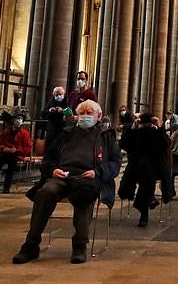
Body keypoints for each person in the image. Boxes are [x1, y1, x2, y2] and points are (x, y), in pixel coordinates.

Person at [12, 100, 121, 264]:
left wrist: (97, 172)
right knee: (46, 192)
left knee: (84, 194)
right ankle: (31, 245)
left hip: (88, 177)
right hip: (63, 175)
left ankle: (79, 246)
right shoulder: (66, 134)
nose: (85, 116)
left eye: (89, 113)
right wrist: (52, 170)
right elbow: (48, 159)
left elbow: (115, 163)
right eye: (82, 113)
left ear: (98, 116)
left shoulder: (106, 137)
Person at [119, 113, 170, 227]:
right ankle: (149, 201)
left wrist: (160, 127)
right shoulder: (137, 134)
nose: (147, 126)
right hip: (137, 168)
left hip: (155, 168)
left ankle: (145, 211)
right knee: (146, 175)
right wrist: (133, 127)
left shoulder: (157, 134)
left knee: (147, 173)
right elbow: (124, 144)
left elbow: (166, 144)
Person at [0, 113, 32, 193]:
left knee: (12, 165)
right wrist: (4, 149)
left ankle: (6, 187)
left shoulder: (24, 133)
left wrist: (17, 150)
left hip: (17, 154)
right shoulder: (6, 132)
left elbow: (28, 147)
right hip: (6, 153)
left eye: (21, 119)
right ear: (13, 120)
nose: (19, 121)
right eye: (18, 118)